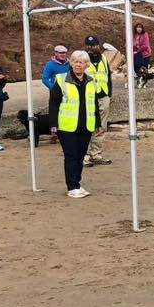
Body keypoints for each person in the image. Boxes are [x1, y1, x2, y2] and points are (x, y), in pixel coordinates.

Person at [48, 50, 99, 197]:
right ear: (72, 63)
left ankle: (77, 183)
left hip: (86, 125)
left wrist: (97, 121)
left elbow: (94, 102)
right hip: (67, 126)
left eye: (81, 62)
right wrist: (53, 123)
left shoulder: (91, 81)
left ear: (86, 65)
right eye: (75, 62)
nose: (78, 64)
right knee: (71, 156)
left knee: (80, 155)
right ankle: (72, 187)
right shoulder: (61, 79)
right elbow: (54, 103)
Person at [83, 36, 113, 167]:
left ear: (98, 46)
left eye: (93, 45)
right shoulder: (82, 60)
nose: (90, 47)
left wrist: (108, 94)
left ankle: (96, 154)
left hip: (103, 97)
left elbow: (108, 77)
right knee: (86, 127)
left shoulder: (104, 59)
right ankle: (85, 155)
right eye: (88, 45)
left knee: (101, 127)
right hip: (88, 99)